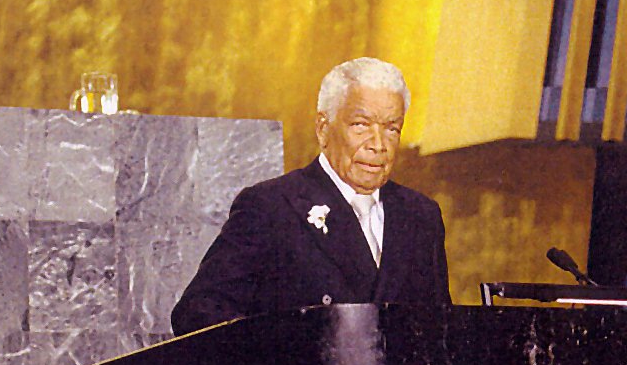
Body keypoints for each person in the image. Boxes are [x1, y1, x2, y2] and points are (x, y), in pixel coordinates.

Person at [172, 57, 450, 335]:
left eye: (391, 128)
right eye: (361, 125)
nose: (378, 145)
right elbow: (199, 311)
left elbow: (441, 330)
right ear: (323, 128)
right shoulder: (272, 207)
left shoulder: (420, 216)